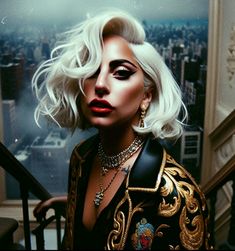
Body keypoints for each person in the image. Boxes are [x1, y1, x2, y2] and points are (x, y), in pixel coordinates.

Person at [32, 9, 213, 250]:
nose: (100, 84)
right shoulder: (81, 158)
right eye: (91, 71)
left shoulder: (178, 195)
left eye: (121, 73)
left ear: (147, 96)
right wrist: (70, 205)